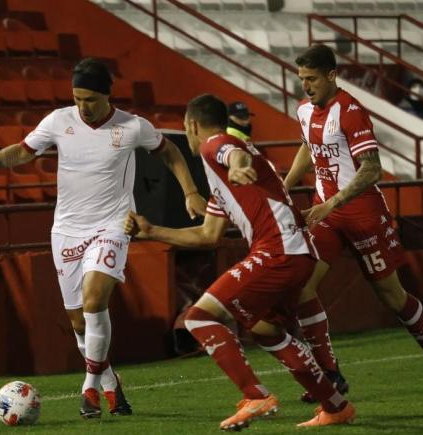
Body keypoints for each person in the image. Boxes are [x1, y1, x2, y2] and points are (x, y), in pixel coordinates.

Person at [0, 57, 207, 418]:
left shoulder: (132, 127)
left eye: (89, 99)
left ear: (107, 94)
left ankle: (88, 387)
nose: (83, 106)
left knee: (94, 300)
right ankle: (109, 384)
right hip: (67, 230)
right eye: (77, 98)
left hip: (113, 225)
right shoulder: (59, 121)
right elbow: (22, 152)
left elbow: (169, 152)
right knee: (78, 323)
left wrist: (190, 191)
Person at [125, 93, 356, 430]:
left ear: (191, 124)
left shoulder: (215, 145)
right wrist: (151, 231)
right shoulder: (219, 180)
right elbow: (208, 236)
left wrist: (237, 165)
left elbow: (231, 152)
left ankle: (255, 395)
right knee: (267, 329)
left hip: (278, 250)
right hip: (298, 253)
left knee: (199, 318)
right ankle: (335, 406)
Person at [283, 45, 423, 400]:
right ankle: (330, 374)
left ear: (332, 75)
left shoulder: (351, 111)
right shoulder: (303, 110)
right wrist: (284, 188)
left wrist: (334, 202)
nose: (306, 87)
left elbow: (372, 168)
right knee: (301, 286)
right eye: (301, 79)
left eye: (311, 79)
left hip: (362, 213)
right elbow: (307, 147)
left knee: (391, 296)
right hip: (325, 214)